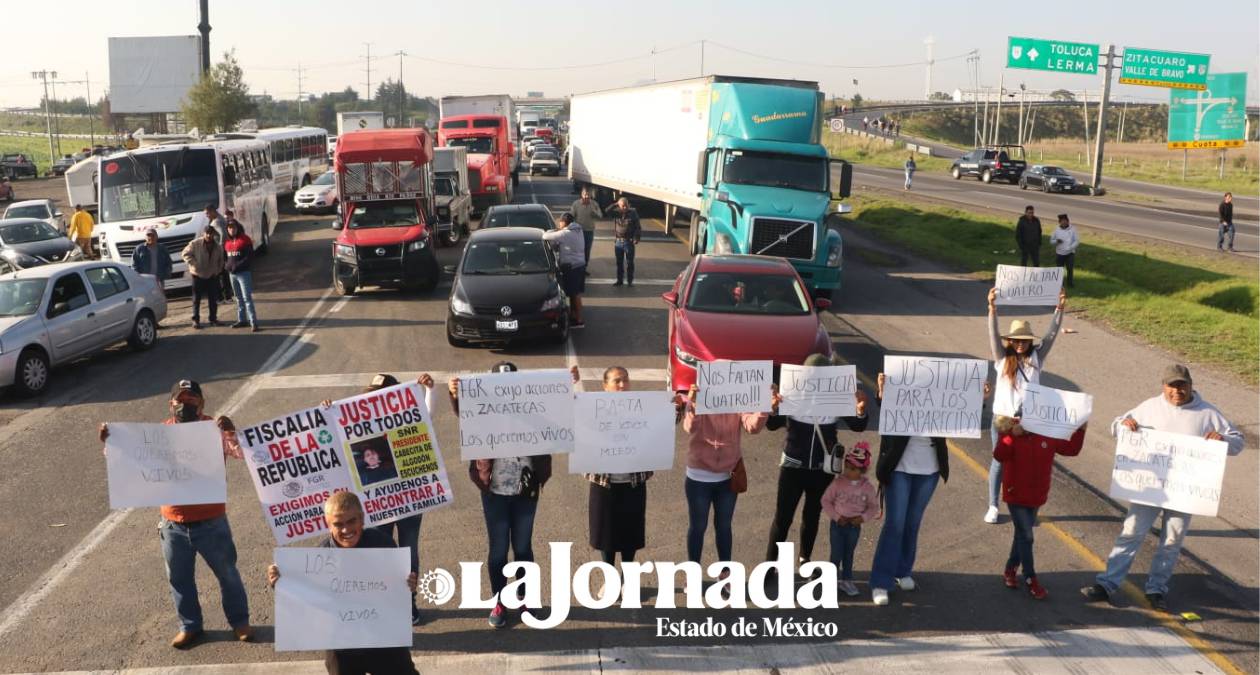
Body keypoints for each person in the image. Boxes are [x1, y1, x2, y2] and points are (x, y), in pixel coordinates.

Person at [98, 380, 253, 649]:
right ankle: (190, 626)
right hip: (173, 524)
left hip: (212, 521)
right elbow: (131, 460)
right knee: (179, 579)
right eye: (180, 400)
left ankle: (240, 622)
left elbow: (242, 453)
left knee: (227, 574)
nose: (185, 405)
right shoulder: (158, 435)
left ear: (201, 403)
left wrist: (230, 432)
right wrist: (112, 443)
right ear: (171, 404)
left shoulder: (213, 429)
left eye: (191, 399)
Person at [1082, 365, 1244, 612]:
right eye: (1172, 386)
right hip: (1149, 488)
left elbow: (1238, 442)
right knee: (1131, 532)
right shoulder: (1149, 407)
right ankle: (1108, 584)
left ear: (1190, 385)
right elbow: (1116, 426)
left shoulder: (1208, 413)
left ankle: (1156, 589)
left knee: (1172, 540)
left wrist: (1223, 439)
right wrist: (1125, 424)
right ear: (1163, 386)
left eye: (1182, 385)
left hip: (1185, 492)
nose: (1177, 391)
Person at [321, 372, 436, 626]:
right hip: (376, 504)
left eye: (380, 396)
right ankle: (377, 604)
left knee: (407, 554)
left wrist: (430, 392)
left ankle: (408, 603)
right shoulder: (356, 427)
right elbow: (331, 441)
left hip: (409, 502)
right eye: (370, 396)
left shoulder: (404, 423)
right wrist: (327, 414)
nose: (373, 401)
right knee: (375, 554)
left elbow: (426, 418)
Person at [266, 492, 419, 675]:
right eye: (338, 524)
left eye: (351, 521)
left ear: (361, 519)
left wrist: (408, 586)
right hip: (342, 647)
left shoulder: (383, 543)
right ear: (328, 525)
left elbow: (397, 590)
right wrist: (281, 583)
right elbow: (305, 598)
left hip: (384, 639)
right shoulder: (318, 557)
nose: (346, 530)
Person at [447, 362, 552, 629]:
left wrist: (567, 387)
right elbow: (464, 412)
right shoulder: (483, 410)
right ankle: (500, 601)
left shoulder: (533, 405)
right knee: (497, 552)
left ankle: (525, 597)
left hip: (525, 491)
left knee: (523, 548)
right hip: (494, 492)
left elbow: (558, 414)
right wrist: (456, 394)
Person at [764, 353, 869, 567]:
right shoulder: (791, 393)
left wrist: (860, 411)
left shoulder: (838, 396)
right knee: (783, 517)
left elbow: (857, 426)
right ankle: (770, 564)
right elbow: (772, 425)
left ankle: (805, 560)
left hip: (823, 468)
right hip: (793, 465)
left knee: (811, 516)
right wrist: (773, 408)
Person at [868, 372, 952, 606]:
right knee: (895, 524)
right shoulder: (901, 395)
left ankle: (902, 570)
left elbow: (961, 411)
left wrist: (979, 397)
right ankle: (880, 581)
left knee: (912, 523)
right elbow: (886, 408)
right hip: (900, 467)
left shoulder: (941, 398)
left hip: (930, 469)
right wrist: (883, 392)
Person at [678, 381, 779, 573]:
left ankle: (725, 574)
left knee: (724, 527)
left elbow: (753, 427)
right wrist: (694, 405)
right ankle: (692, 574)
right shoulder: (699, 398)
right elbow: (689, 427)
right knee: (697, 527)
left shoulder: (738, 401)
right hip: (698, 476)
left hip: (727, 475)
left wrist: (765, 407)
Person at [984, 286, 1065, 524]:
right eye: (1016, 340)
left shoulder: (1036, 357)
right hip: (1003, 418)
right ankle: (992, 505)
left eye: (1025, 340)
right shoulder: (1002, 357)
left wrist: (1059, 308)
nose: (1020, 344)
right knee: (999, 461)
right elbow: (992, 333)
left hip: (1030, 420)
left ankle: (1021, 508)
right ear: (1010, 341)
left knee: (1025, 465)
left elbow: (1051, 334)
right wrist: (992, 308)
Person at [993, 415, 1087, 600]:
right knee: (1026, 536)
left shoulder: (1048, 433)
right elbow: (999, 455)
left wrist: (1081, 430)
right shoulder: (1013, 431)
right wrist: (1011, 435)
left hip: (1037, 496)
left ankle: (1010, 569)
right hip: (1016, 495)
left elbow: (1071, 449)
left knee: (1021, 534)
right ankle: (1030, 578)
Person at [578, 365, 651, 566]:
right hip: (604, 484)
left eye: (625, 380)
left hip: (633, 483)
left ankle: (628, 580)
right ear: (605, 385)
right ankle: (610, 580)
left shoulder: (643, 407)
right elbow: (570, 413)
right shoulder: (592, 409)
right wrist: (571, 383)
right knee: (605, 536)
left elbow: (665, 425)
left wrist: (679, 406)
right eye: (617, 380)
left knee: (631, 535)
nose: (622, 384)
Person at [820, 442, 880, 597]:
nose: (847, 471)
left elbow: (874, 507)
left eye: (852, 469)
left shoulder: (867, 488)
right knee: (836, 553)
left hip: (854, 526)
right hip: (837, 525)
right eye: (846, 467)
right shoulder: (838, 483)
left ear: (862, 470)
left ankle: (847, 580)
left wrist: (862, 518)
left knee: (849, 553)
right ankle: (830, 581)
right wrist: (836, 517)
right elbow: (825, 501)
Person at [543, 212, 587, 327]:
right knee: (574, 293)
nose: (559, 223)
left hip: (572, 267)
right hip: (580, 264)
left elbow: (545, 236)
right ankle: (574, 316)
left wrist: (555, 230)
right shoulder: (578, 229)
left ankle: (579, 320)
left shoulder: (565, 233)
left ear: (564, 222)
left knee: (575, 293)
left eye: (560, 222)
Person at [181, 226, 226, 329]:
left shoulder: (218, 247)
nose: (209, 235)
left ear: (214, 234)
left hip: (212, 275)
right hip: (197, 275)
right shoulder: (195, 243)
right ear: (203, 233)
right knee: (196, 299)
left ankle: (213, 319)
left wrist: (217, 271)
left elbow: (221, 260)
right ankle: (196, 320)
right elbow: (184, 254)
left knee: (213, 299)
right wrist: (194, 264)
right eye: (207, 233)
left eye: (211, 233)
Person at [222, 217, 259, 332]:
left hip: (243, 273)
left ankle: (253, 322)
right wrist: (227, 266)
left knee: (247, 297)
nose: (232, 230)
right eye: (229, 228)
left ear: (238, 228)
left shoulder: (245, 240)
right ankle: (242, 320)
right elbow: (225, 257)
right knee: (238, 298)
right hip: (232, 274)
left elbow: (249, 257)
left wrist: (237, 266)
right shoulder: (227, 242)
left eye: (233, 227)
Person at [608, 197, 641, 287]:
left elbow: (637, 227)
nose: (625, 208)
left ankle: (630, 281)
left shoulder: (633, 213)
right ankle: (620, 280)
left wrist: (636, 238)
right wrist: (615, 204)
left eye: (626, 205)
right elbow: (607, 211)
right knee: (619, 263)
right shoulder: (616, 213)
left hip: (628, 242)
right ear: (619, 206)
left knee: (630, 262)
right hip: (618, 242)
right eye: (622, 206)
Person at [569, 187, 604, 269]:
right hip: (578, 232)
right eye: (585, 195)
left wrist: (594, 211)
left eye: (588, 195)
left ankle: (584, 268)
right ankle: (577, 267)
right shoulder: (576, 204)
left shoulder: (594, 204)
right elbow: (571, 216)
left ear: (591, 195)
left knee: (587, 251)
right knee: (578, 250)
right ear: (582, 194)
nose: (586, 197)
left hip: (589, 231)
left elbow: (600, 216)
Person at [1049, 213, 1079, 287]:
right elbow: (1051, 241)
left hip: (1070, 253)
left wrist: (1071, 247)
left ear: (1068, 221)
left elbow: (1077, 241)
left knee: (1070, 269)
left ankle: (1070, 283)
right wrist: (1056, 241)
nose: (1064, 222)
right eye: (1062, 221)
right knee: (1059, 270)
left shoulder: (1073, 229)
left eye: (1065, 221)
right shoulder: (1056, 230)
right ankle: (1060, 284)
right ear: (1060, 222)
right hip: (1060, 253)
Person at [218, 209, 238, 302]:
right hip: (225, 255)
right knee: (224, 276)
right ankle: (227, 295)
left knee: (227, 276)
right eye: (225, 217)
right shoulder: (225, 226)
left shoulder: (236, 226)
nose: (226, 219)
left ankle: (230, 295)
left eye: (228, 217)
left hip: (230, 256)